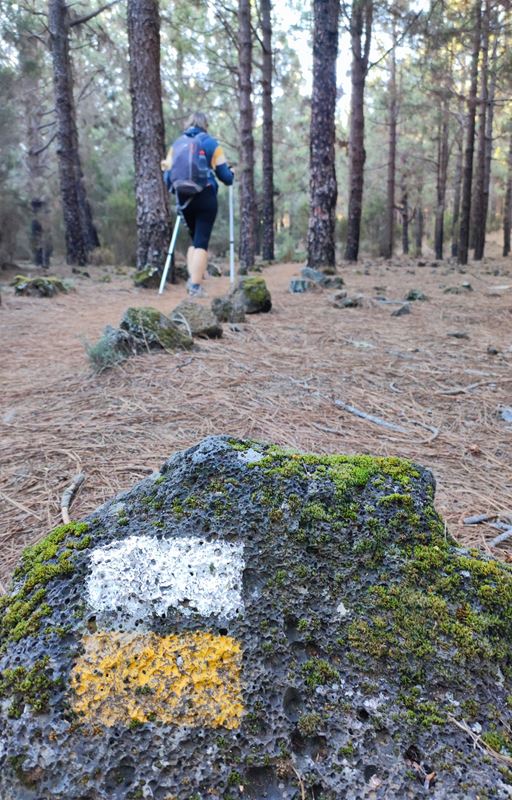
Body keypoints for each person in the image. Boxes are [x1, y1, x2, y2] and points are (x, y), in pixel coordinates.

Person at [161, 111, 234, 297]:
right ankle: (194, 285)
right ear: (205, 124)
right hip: (205, 196)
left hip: (184, 199)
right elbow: (225, 176)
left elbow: (167, 175)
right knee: (201, 241)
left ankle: (192, 279)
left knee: (194, 239)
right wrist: (231, 174)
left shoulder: (177, 144)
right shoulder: (211, 144)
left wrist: (176, 190)